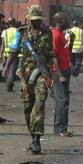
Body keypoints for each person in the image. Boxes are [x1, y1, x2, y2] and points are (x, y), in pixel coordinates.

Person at [2, 5, 54, 154]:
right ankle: (32, 134)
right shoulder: (21, 33)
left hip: (41, 73)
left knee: (39, 104)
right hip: (25, 72)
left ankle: (36, 140)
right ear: (29, 20)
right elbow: (13, 51)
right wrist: (6, 67)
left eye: (38, 20)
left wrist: (52, 71)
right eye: (34, 20)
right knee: (27, 107)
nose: (36, 23)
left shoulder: (47, 33)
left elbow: (50, 53)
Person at [51, 12, 72, 137]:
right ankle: (60, 128)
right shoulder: (56, 35)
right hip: (60, 71)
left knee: (64, 100)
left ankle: (62, 127)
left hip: (65, 69)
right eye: (66, 19)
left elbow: (65, 53)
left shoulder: (62, 35)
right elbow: (54, 56)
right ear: (59, 20)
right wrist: (60, 74)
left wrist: (72, 41)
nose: (68, 22)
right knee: (62, 100)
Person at [0, 18, 18, 91]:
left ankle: (9, 82)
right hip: (15, 54)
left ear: (8, 23)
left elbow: (3, 44)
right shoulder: (18, 31)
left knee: (6, 69)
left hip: (5, 54)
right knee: (12, 70)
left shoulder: (5, 32)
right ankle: (9, 84)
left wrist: (0, 54)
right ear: (15, 23)